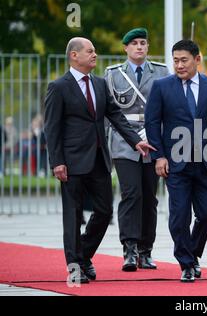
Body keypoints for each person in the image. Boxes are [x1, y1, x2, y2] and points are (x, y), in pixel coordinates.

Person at [44, 37, 153, 284]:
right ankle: (75, 268)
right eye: (90, 51)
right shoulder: (58, 87)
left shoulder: (100, 84)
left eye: (94, 50)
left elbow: (115, 115)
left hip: (98, 161)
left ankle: (83, 255)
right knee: (72, 216)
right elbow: (51, 128)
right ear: (74, 55)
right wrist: (56, 161)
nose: (95, 54)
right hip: (71, 163)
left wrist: (135, 140)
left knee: (104, 212)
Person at [145, 40, 207, 282]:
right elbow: (152, 123)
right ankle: (186, 264)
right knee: (179, 216)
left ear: (197, 59)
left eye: (184, 60)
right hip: (175, 163)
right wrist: (159, 156)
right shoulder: (162, 86)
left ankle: (192, 253)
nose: (179, 65)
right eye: (175, 60)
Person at [105, 28, 169, 271]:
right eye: (134, 43)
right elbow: (108, 113)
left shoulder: (161, 71)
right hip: (124, 142)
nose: (140, 47)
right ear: (126, 48)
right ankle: (129, 249)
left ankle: (146, 250)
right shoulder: (113, 74)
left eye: (143, 43)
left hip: (153, 141)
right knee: (131, 194)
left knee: (149, 198)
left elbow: (167, 107)